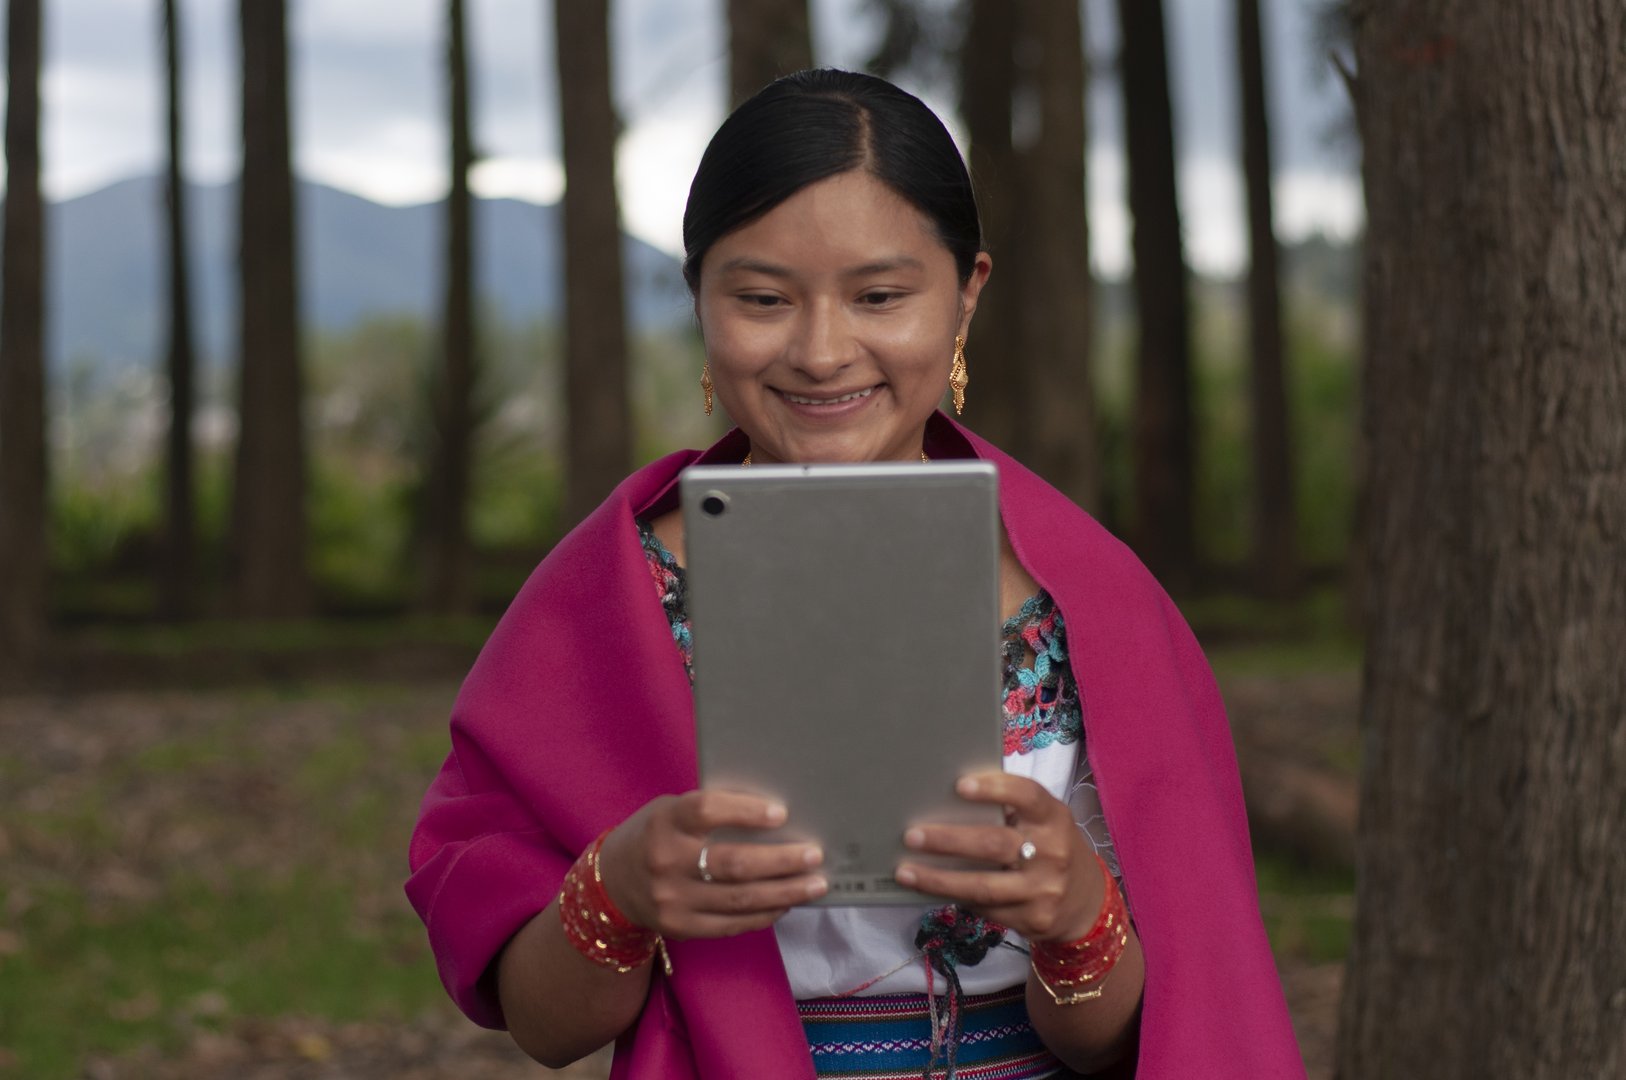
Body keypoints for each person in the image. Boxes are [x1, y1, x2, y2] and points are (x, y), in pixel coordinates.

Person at [407, 69, 1305, 1080]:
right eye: (761, 298)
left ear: (967, 293)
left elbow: (1145, 1036)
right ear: (699, 297)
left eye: (880, 295)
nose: (823, 351)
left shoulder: (1094, 603)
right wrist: (617, 889)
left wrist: (1077, 917)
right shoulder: (602, 606)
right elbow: (543, 1024)